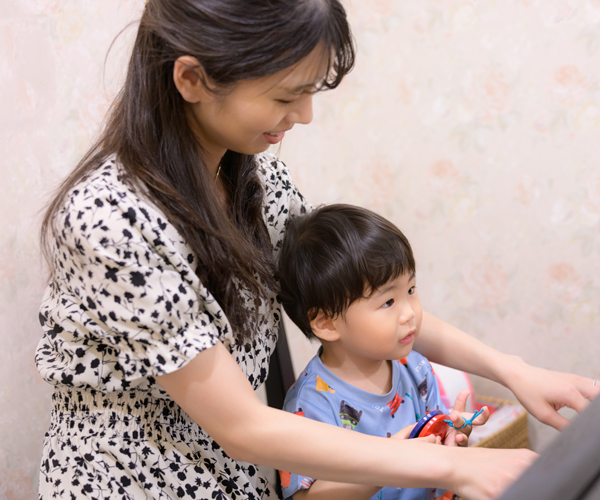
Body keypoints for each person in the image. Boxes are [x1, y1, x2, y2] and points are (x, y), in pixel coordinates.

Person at [35, 1, 597, 499]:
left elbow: (364, 302)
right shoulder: (110, 222)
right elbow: (241, 428)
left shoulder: (259, 184)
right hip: (137, 479)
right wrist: (450, 466)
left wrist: (513, 370)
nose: (304, 115)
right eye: (286, 95)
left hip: (242, 472)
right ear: (192, 79)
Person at [277, 204, 489, 500]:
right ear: (326, 323)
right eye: (388, 302)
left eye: (411, 290)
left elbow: (435, 456)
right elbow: (306, 497)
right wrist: (389, 464)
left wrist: (452, 434)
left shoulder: (414, 368)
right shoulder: (311, 405)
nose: (410, 313)